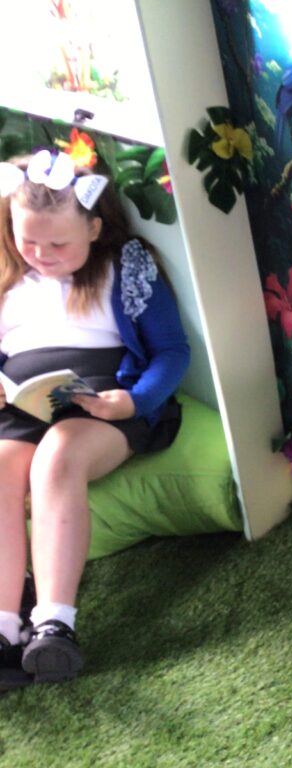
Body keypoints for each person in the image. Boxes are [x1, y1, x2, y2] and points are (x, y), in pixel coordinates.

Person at [0, 149, 190, 691]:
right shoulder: (9, 274)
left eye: (58, 244)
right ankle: (4, 626)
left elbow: (172, 351)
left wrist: (133, 402)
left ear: (94, 228)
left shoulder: (123, 266)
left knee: (58, 456)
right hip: (20, 405)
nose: (41, 256)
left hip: (99, 403)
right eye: (28, 241)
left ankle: (54, 623)